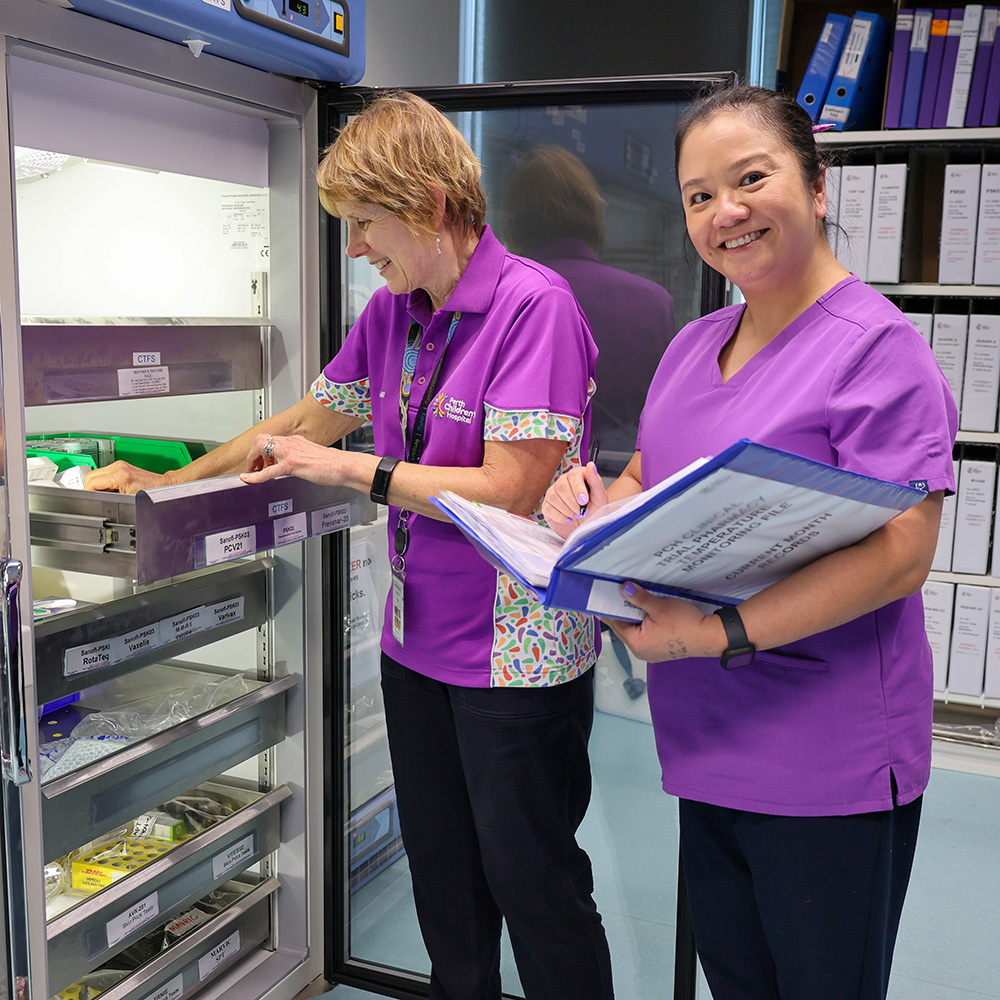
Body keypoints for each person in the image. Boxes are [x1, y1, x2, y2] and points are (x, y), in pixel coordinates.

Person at [86, 92, 614, 1000]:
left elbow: (511, 490)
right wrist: (167, 487)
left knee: (535, 887)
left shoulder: (535, 308)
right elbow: (300, 424)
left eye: (366, 223)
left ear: (430, 207)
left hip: (515, 659)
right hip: (416, 646)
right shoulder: (393, 318)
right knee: (445, 886)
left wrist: (358, 472)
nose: (357, 248)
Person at [542, 85, 958, 1000]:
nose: (723, 212)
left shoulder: (877, 350)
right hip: (708, 734)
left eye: (750, 179)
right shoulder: (696, 344)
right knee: (739, 982)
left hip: (827, 756)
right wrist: (594, 501)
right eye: (698, 195)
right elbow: (652, 474)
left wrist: (715, 634)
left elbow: (901, 554)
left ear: (815, 185)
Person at [502, 144, 676, 476]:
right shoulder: (654, 302)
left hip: (518, 490)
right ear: (593, 213)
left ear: (513, 217)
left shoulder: (501, 300)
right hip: (621, 487)